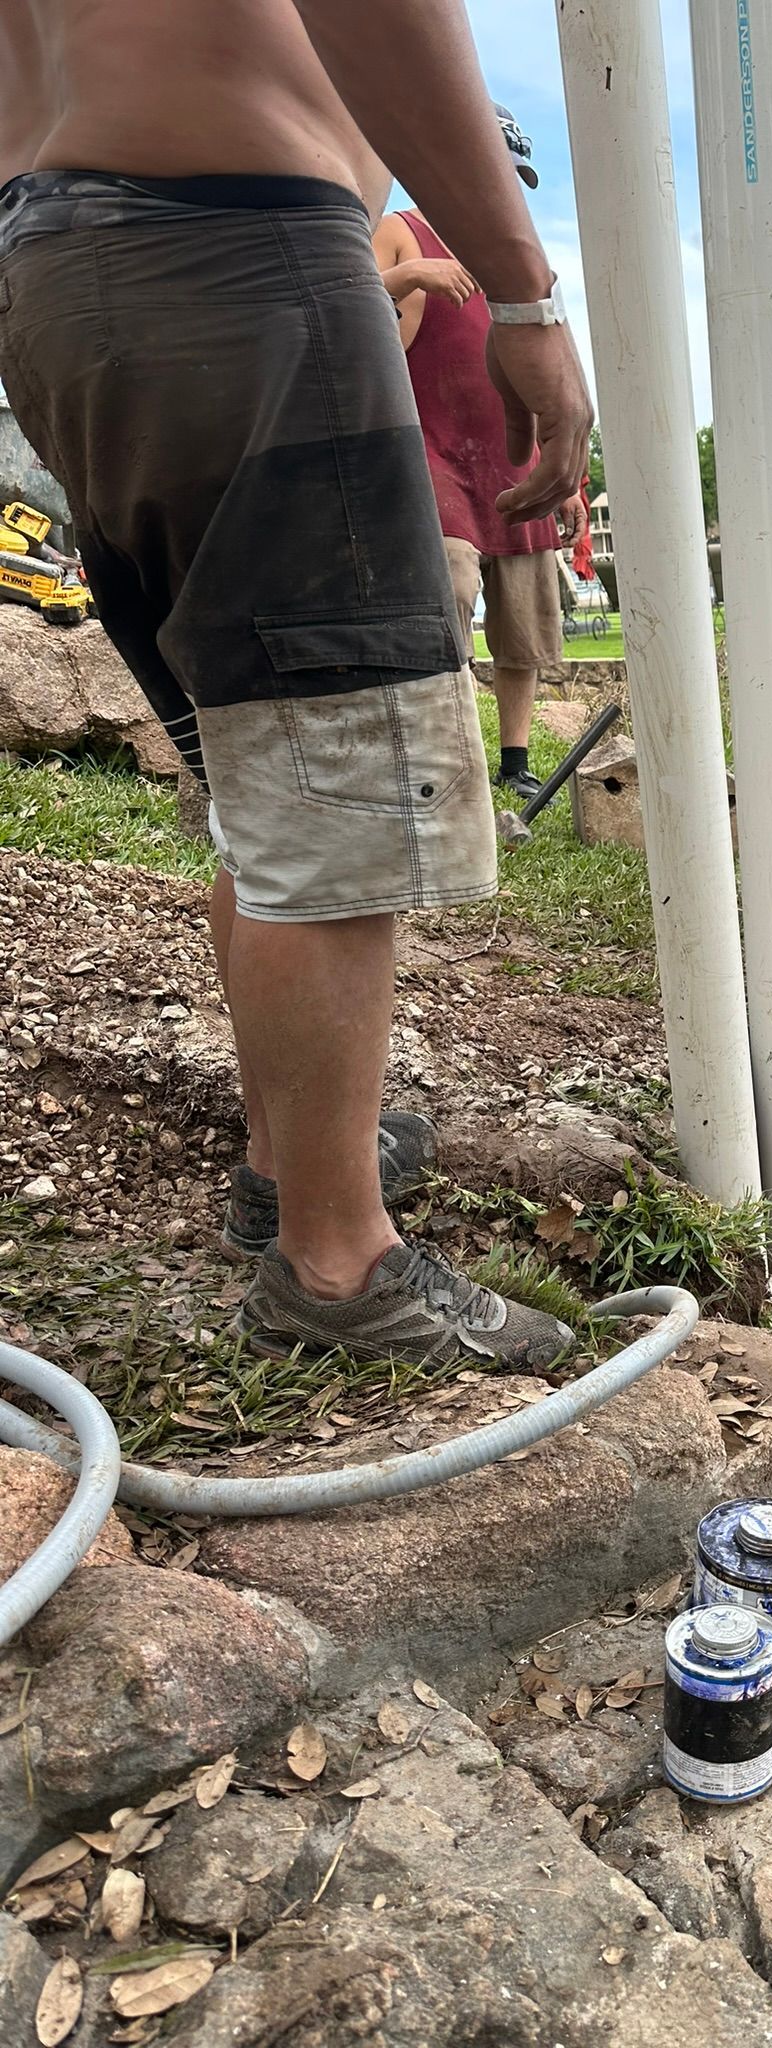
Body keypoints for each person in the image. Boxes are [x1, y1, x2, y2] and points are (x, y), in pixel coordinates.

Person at [0, 0, 592, 1367]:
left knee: (259, 765)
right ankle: (336, 1264)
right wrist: (522, 291)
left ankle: (287, 1162)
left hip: (61, 256)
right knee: (340, 775)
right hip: (231, 243)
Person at [373, 109, 584, 802]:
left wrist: (573, 481)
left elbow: (555, 383)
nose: (504, 190)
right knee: (449, 589)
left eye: (514, 178)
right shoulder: (401, 231)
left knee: (524, 615)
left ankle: (514, 760)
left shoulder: (521, 260)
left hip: (511, 453)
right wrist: (413, 277)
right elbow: (344, 308)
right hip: (429, 445)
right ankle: (446, 748)